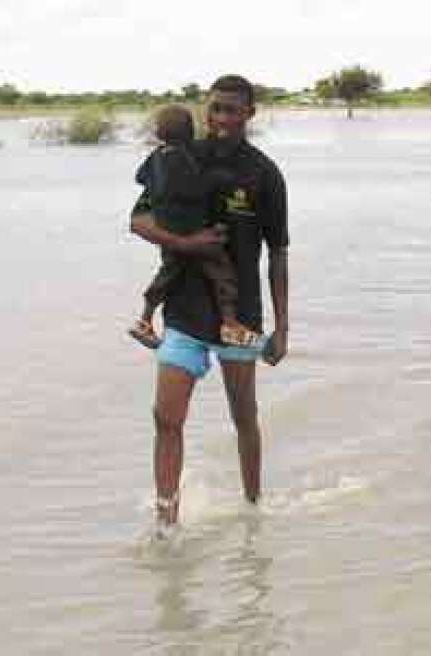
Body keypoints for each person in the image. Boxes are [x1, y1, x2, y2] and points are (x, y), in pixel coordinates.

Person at [129, 74, 289, 530]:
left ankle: (254, 513)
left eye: (232, 110)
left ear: (249, 114)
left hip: (239, 316)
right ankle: (166, 524)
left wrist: (283, 327)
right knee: (166, 418)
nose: (221, 119)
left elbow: (278, 254)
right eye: (215, 108)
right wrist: (188, 243)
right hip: (182, 311)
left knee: (244, 417)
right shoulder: (178, 157)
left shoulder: (263, 173)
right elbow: (138, 221)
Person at [127, 105, 258, 351]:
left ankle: (144, 320)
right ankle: (230, 325)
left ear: (158, 134)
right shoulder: (188, 157)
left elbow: (139, 178)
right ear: (190, 132)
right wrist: (229, 181)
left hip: (168, 229)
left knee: (166, 275)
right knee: (222, 274)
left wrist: (159, 191)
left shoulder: (155, 157)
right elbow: (200, 185)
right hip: (193, 230)